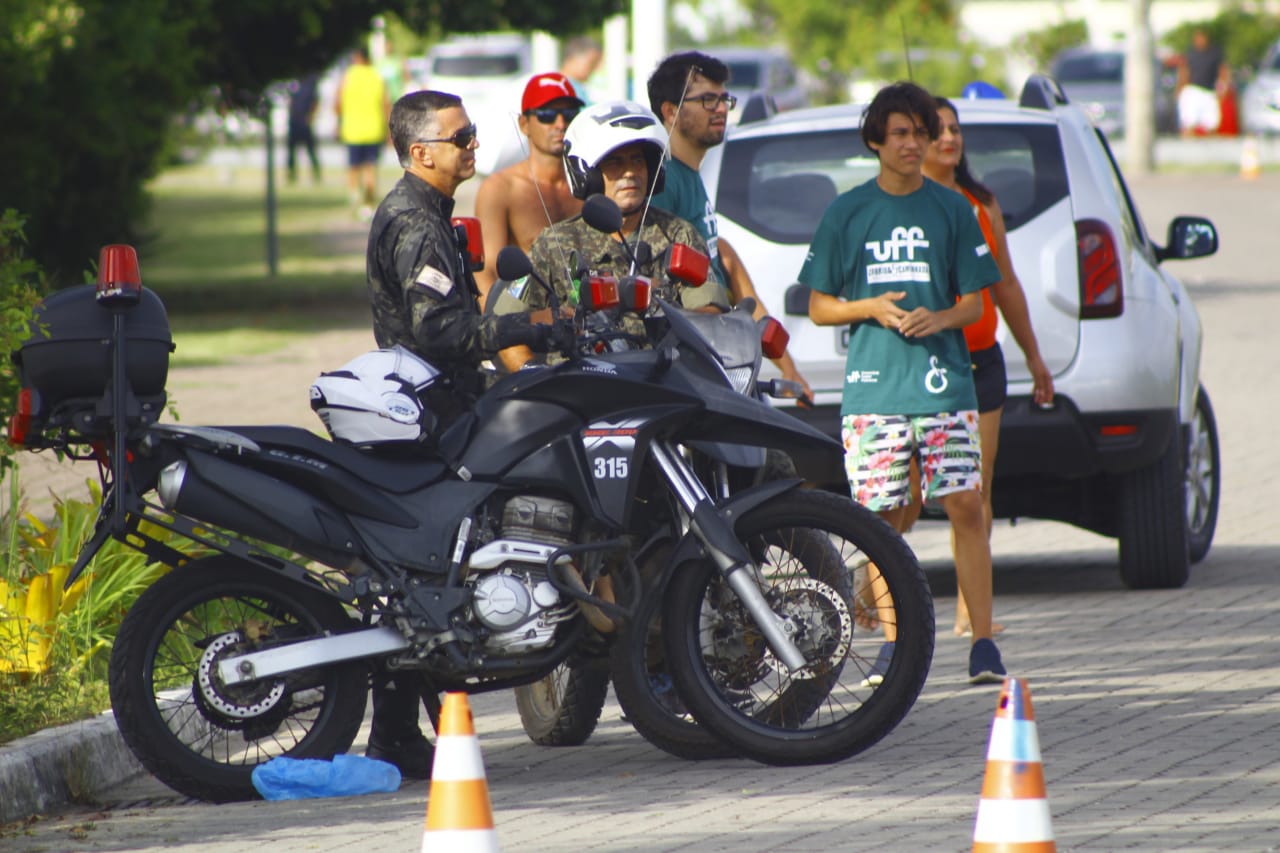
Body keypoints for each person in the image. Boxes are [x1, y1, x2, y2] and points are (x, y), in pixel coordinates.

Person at [364, 89, 565, 776]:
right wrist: (520, 327)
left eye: (473, 132)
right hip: (430, 418)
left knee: (423, 572)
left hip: (438, 407)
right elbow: (437, 329)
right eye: (461, 136)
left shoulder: (427, 212)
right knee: (430, 573)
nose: (473, 144)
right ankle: (401, 730)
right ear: (422, 152)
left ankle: (399, 733)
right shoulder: (414, 221)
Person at [801, 81, 1006, 686]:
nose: (916, 143)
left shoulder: (951, 208)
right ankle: (892, 650)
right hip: (874, 391)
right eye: (901, 134)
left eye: (922, 132)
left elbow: (975, 303)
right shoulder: (847, 210)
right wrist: (869, 307)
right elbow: (818, 306)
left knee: (966, 505)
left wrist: (939, 317)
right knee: (882, 520)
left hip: (945, 386)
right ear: (875, 141)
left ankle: (984, 645)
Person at [913, 95, 1055, 637]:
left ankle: (973, 615)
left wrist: (1035, 357)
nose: (948, 138)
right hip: (924, 365)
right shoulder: (908, 204)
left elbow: (1006, 283)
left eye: (955, 128)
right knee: (903, 497)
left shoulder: (980, 202)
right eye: (937, 128)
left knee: (974, 489)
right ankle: (872, 585)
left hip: (982, 360)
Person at [496, 99, 730, 370]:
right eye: (616, 162)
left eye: (638, 161)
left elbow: (712, 317)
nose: (630, 172)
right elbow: (506, 327)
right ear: (589, 174)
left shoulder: (678, 235)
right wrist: (533, 374)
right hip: (579, 388)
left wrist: (660, 304)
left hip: (664, 384)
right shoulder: (555, 243)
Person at [647, 51, 812, 402]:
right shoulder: (663, 181)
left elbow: (723, 260)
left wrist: (788, 366)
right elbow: (655, 285)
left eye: (724, 99)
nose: (721, 108)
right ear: (670, 111)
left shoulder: (690, 175)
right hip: (688, 371)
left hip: (722, 359)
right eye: (707, 99)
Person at [474, 72, 585, 306]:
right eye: (546, 115)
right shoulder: (501, 188)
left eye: (569, 114)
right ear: (524, 124)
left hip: (590, 314)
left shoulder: (589, 184)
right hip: (531, 316)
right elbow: (487, 272)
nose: (560, 124)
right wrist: (500, 329)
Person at [337, 47, 390, 220]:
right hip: (374, 129)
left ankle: (355, 198)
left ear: (356, 57)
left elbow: (337, 103)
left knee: (353, 168)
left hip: (352, 129)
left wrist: (339, 120)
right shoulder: (377, 76)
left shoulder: (348, 76)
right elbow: (386, 104)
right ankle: (367, 205)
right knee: (370, 169)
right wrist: (388, 128)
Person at [1177, 28, 1230, 136]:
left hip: (1209, 91)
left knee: (1211, 123)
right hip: (1193, 90)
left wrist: (1223, 87)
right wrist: (1180, 88)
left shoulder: (1214, 53)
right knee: (1189, 122)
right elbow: (1184, 70)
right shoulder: (1190, 53)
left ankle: (1210, 148)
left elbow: (1223, 70)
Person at [286, 73, 321, 184]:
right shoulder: (293, 83)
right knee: (291, 151)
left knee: (310, 150)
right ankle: (291, 174)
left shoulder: (310, 84)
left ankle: (316, 173)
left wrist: (310, 117)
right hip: (294, 122)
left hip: (304, 122)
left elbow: (315, 101)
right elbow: (290, 101)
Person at [559, 35, 603, 105]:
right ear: (573, 58)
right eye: (592, 63)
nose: (596, 68)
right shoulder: (561, 89)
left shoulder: (577, 89)